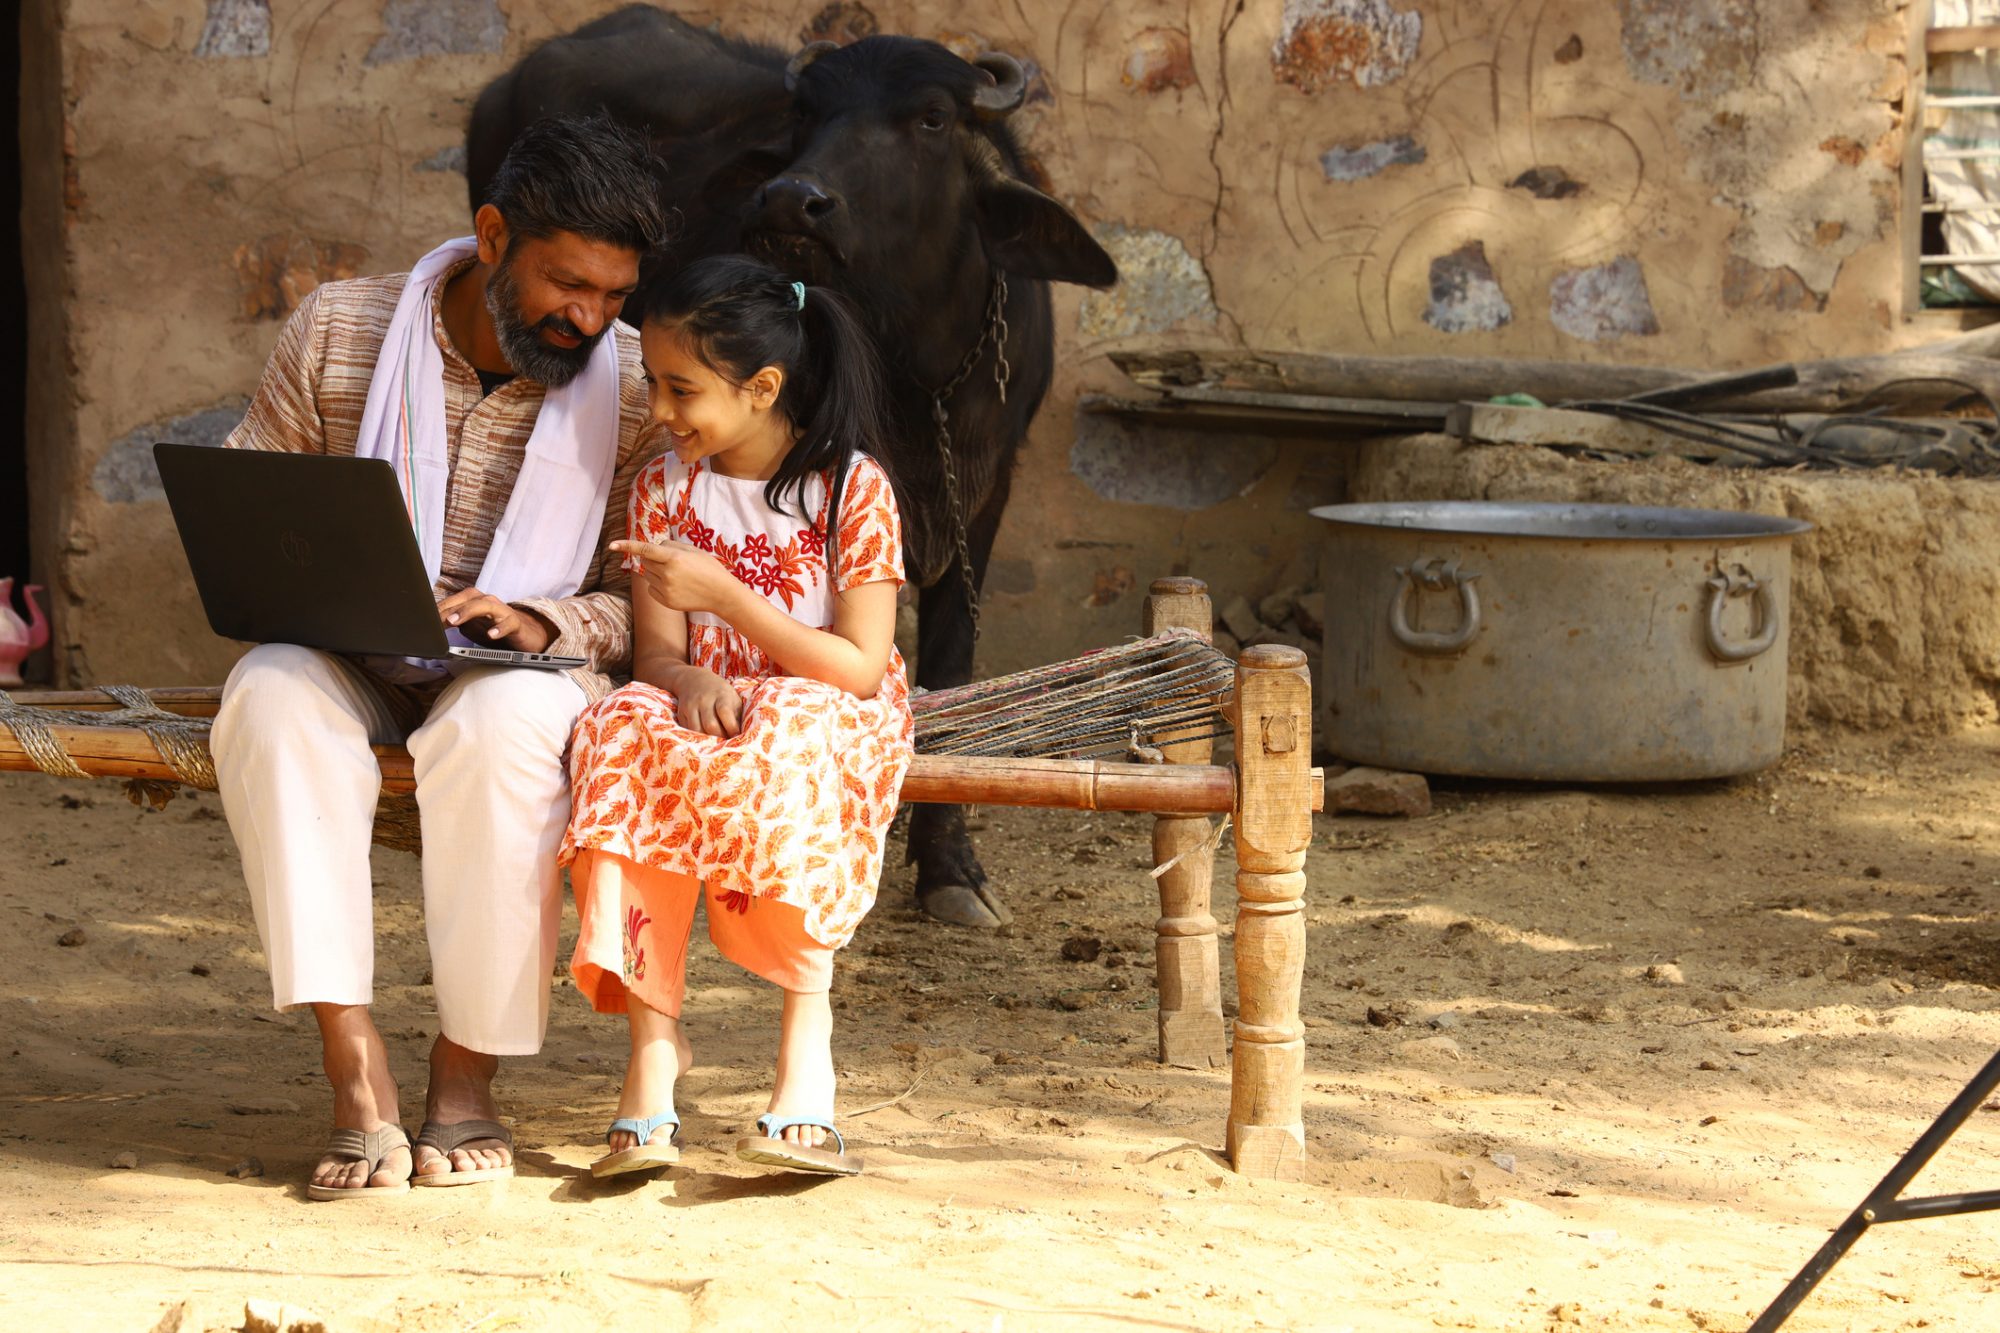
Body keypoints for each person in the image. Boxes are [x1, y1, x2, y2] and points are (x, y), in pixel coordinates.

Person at [208, 115, 670, 1199]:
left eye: (613, 294)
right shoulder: (341, 329)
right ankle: (349, 1052)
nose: (589, 317)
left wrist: (543, 620)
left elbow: (641, 595)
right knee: (267, 696)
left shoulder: (644, 385)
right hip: (347, 652)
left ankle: (465, 1074)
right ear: (494, 235)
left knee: (504, 729)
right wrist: (338, 586)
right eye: (568, 283)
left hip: (519, 675)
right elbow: (248, 499)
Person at [561, 254, 912, 1178]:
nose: (659, 411)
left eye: (682, 389)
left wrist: (729, 595)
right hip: (705, 708)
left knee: (790, 721)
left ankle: (806, 1042)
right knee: (617, 728)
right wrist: (684, 684)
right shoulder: (665, 489)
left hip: (828, 710)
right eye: (653, 382)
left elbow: (859, 666)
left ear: (762, 389)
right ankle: (651, 1051)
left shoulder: (852, 491)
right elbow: (657, 653)